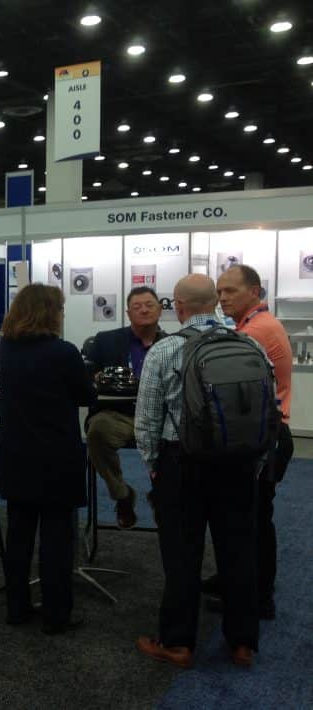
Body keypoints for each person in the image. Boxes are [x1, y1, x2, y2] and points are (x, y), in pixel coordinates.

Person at [135, 274, 261, 668]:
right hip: (238, 462)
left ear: (179, 306)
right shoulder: (249, 344)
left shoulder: (164, 350)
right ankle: (243, 642)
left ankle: (177, 643)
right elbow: (265, 413)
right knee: (239, 552)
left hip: (182, 463)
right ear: (216, 303)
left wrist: (154, 467)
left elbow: (147, 421)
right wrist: (253, 463)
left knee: (181, 555)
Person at [0, 284, 95, 634]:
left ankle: (16, 607)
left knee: (18, 535)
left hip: (15, 453)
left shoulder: (5, 347)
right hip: (56, 457)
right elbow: (85, 395)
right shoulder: (64, 352)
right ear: (50, 312)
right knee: (56, 539)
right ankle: (56, 615)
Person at [205, 264, 293, 619]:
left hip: (264, 437)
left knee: (254, 520)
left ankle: (258, 597)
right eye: (219, 292)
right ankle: (237, 581)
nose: (222, 298)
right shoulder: (254, 325)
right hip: (266, 432)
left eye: (230, 291)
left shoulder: (255, 331)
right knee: (250, 515)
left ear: (254, 291)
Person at [83, 286, 165, 528]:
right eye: (137, 306)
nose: (144, 310)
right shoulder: (105, 340)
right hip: (117, 414)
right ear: (128, 313)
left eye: (149, 305)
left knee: (180, 438)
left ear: (160, 309)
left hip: (159, 417)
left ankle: (161, 495)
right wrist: (96, 377)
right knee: (97, 432)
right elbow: (85, 375)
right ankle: (122, 495)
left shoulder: (172, 344)